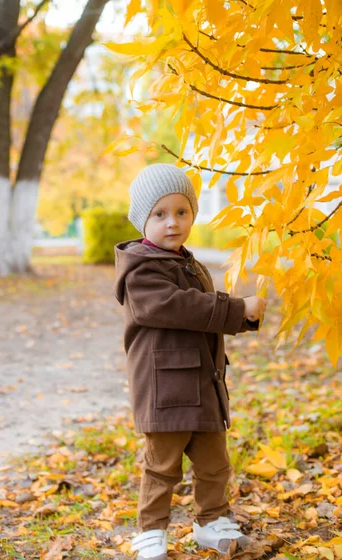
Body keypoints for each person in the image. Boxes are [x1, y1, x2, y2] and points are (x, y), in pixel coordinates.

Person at [114, 163, 267, 560]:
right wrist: (236, 309)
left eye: (182, 212)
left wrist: (244, 318)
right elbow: (178, 308)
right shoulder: (140, 273)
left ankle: (211, 520)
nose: (172, 223)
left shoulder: (188, 262)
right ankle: (151, 530)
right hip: (164, 389)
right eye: (160, 214)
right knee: (162, 466)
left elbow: (201, 319)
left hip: (203, 382)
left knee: (215, 462)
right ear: (141, 220)